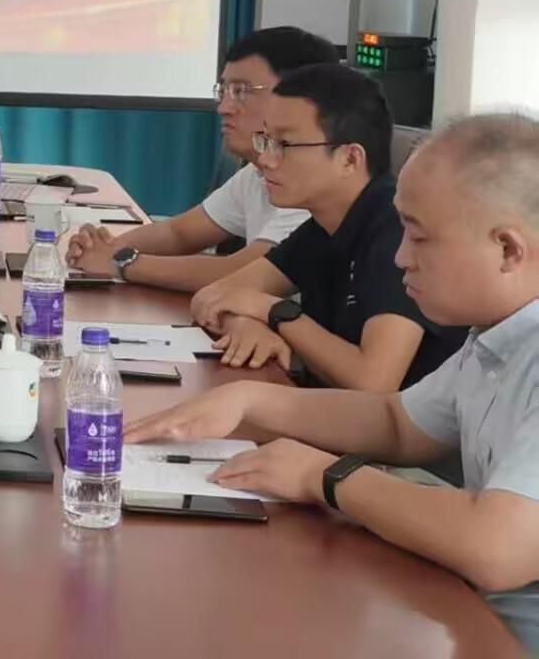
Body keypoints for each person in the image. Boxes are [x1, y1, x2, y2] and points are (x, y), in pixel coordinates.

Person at [130, 113, 539, 650]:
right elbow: (397, 423)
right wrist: (247, 400)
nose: (401, 259)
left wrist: (325, 476)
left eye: (420, 238)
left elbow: (496, 546)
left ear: (508, 250)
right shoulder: (496, 337)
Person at [189, 62, 464, 389]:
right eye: (266, 140)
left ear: (350, 158)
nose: (265, 159)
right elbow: (213, 296)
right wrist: (247, 326)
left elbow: (373, 382)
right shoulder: (323, 225)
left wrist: (276, 313)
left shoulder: (395, 229)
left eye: (284, 145)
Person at [69, 26, 335, 291]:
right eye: (224, 91)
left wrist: (120, 262)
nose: (224, 108)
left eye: (241, 91)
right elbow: (178, 234)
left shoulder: (313, 183)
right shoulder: (256, 172)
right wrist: (103, 248)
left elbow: (243, 274)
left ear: (296, 98)